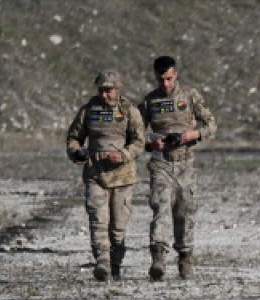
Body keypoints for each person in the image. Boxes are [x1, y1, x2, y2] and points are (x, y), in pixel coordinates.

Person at [138, 55, 218, 280]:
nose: (166, 84)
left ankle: (185, 258)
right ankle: (158, 259)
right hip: (161, 162)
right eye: (161, 79)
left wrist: (194, 134)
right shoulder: (149, 101)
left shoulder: (190, 96)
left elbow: (211, 124)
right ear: (155, 77)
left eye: (170, 79)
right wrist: (150, 143)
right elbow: (134, 135)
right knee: (160, 209)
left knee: (185, 211)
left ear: (177, 75)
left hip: (185, 162)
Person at [65, 70, 145, 281]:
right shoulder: (89, 111)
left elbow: (139, 142)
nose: (104, 95)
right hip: (95, 175)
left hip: (123, 177)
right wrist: (76, 152)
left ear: (118, 89)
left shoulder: (129, 111)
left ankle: (115, 264)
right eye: (101, 90)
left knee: (118, 228)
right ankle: (102, 262)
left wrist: (123, 155)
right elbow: (74, 137)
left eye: (109, 90)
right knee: (98, 220)